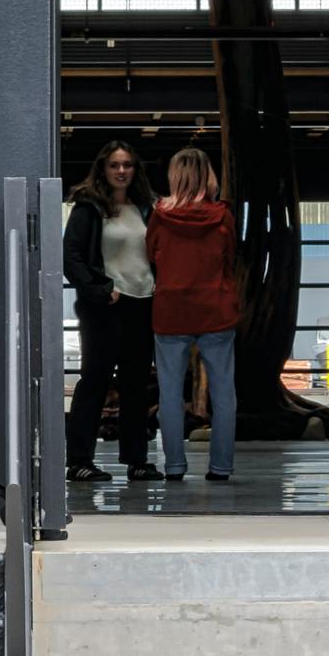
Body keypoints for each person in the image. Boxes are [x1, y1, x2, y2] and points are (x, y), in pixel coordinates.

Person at [141, 144, 249, 485]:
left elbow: (152, 257)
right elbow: (230, 256)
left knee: (170, 394)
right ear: (208, 176)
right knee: (224, 393)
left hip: (171, 310)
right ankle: (220, 468)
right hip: (216, 308)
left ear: (175, 176)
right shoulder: (223, 216)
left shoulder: (159, 215)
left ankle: (174, 467)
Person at [59, 142, 160, 483]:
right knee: (94, 381)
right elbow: (71, 256)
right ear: (103, 168)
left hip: (142, 304)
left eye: (127, 165)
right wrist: (101, 290)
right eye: (115, 165)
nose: (121, 171)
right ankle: (79, 461)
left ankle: (137, 460)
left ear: (135, 169)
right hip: (106, 306)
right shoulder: (89, 207)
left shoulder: (146, 208)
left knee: (135, 386)